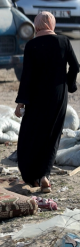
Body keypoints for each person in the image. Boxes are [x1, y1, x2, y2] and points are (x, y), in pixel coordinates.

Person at [15, 12, 79, 193]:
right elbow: (75, 66)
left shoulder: (31, 45)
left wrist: (21, 103)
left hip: (36, 97)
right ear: (52, 24)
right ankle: (44, 176)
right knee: (52, 136)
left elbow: (26, 76)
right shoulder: (64, 41)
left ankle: (30, 175)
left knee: (32, 133)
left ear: (36, 26)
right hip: (58, 95)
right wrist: (69, 84)